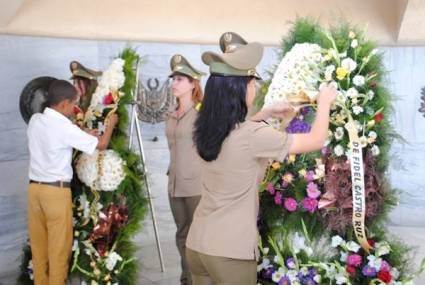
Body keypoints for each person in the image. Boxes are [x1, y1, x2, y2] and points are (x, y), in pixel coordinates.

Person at [185, 42, 337, 285]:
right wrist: (325, 102)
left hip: (197, 246)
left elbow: (237, 135)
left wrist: (265, 113)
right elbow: (316, 139)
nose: (254, 88)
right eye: (253, 83)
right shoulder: (253, 136)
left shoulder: (205, 130)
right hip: (229, 251)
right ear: (241, 90)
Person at [27, 79, 118, 285]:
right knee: (59, 251)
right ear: (63, 104)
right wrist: (110, 124)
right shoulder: (65, 128)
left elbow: (62, 137)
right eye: (72, 105)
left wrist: (84, 134)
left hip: (34, 191)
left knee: (39, 249)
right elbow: (101, 145)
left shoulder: (36, 120)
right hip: (55, 193)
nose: (73, 109)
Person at [165, 54, 206, 285]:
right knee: (182, 234)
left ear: (193, 83)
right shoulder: (170, 114)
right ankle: (186, 279)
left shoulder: (201, 115)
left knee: (197, 237)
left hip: (195, 185)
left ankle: (199, 280)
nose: (174, 83)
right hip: (174, 184)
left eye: (180, 79)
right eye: (173, 79)